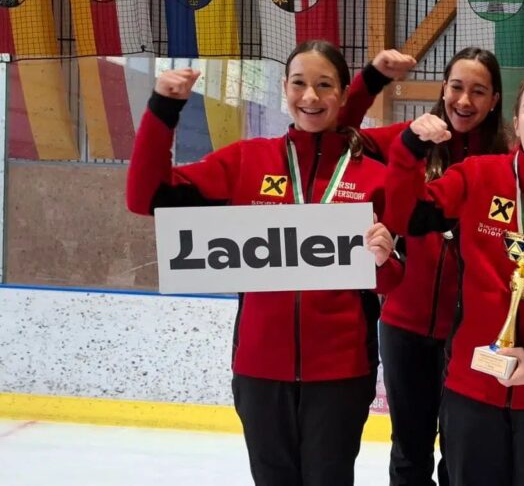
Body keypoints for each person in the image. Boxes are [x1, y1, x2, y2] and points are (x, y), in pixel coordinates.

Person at [126, 40, 403, 486]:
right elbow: (145, 198)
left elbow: (393, 280)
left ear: (343, 95)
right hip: (259, 370)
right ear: (284, 88)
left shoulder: (374, 176)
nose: (310, 97)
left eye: (324, 85)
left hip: (341, 373)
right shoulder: (247, 160)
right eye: (299, 83)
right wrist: (162, 111)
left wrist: (384, 259)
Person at [384, 69, 524, 486]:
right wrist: (409, 150)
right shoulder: (477, 175)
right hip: (472, 389)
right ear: (517, 122)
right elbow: (406, 216)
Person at [359, 47, 509, 486]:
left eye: (478, 91)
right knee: (410, 447)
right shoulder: (406, 139)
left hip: (470, 334)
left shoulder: (506, 163)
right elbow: (338, 132)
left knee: (461, 449)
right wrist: (371, 80)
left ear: (495, 101)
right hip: (404, 324)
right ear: (443, 89)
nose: (464, 100)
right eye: (457, 87)